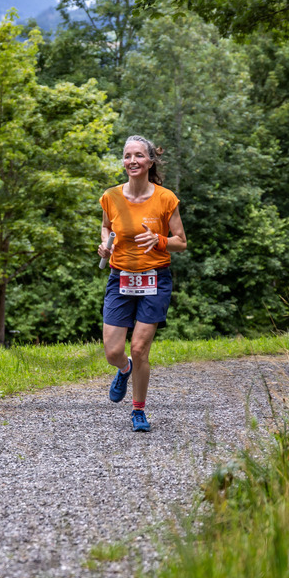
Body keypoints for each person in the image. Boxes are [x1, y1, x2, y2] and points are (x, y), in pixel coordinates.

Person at [97, 135, 187, 432]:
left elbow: (181, 242)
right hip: (120, 277)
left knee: (139, 348)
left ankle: (138, 411)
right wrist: (104, 245)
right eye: (127, 156)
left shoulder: (165, 198)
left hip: (155, 279)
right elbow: (106, 226)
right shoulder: (111, 197)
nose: (132, 161)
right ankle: (124, 370)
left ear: (150, 161)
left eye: (138, 155)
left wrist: (159, 240)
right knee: (113, 351)